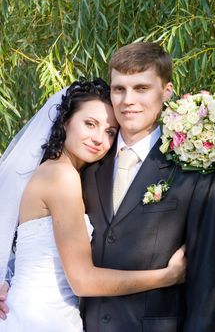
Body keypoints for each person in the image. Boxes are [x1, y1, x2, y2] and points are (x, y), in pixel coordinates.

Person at [0, 78, 186, 331]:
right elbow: (83, 281)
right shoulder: (61, 177)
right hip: (43, 318)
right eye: (90, 124)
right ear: (65, 122)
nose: (99, 138)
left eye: (110, 132)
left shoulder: (59, 172)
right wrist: (167, 276)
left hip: (37, 310)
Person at [80, 43, 215, 332]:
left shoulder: (195, 169)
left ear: (167, 91)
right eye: (119, 89)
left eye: (141, 88)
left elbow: (207, 282)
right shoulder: (88, 160)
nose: (127, 100)